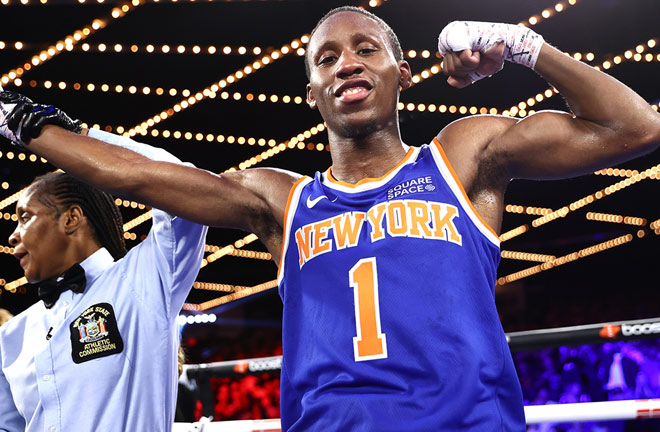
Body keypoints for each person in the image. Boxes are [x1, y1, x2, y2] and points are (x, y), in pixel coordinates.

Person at [1, 5, 660, 430]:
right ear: (312, 92)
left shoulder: (461, 158)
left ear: (402, 73)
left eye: (365, 49)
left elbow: (632, 127)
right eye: (326, 57)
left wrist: (522, 45)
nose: (346, 60)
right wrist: (27, 125)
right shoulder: (281, 200)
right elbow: (143, 177)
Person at [0, 166, 207, 428]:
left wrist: (74, 138)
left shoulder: (143, 281)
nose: (13, 235)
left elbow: (184, 185)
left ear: (71, 218)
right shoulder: (10, 337)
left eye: (25, 217)